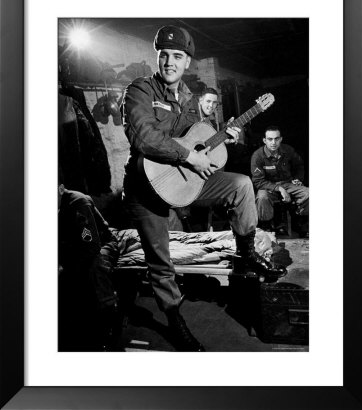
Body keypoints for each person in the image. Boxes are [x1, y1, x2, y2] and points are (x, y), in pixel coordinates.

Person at [122, 25, 286, 352]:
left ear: (187, 63)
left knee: (240, 185)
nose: (170, 61)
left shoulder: (188, 97)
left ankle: (247, 250)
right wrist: (189, 157)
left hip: (183, 181)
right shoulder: (139, 90)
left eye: (178, 56)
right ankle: (174, 320)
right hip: (145, 187)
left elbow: (200, 141)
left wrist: (226, 135)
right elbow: (144, 138)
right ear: (158, 57)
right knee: (160, 258)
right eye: (164, 54)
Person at [58, 182, 119, 351]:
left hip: (102, 243)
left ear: (61, 189)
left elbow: (90, 246)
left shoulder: (78, 202)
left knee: (96, 267)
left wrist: (64, 267)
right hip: (71, 249)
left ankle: (110, 319)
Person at [250, 126, 309, 237]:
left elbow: (299, 165)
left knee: (308, 193)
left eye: (276, 139)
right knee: (262, 198)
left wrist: (298, 179)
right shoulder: (257, 156)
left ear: (281, 139)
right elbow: (258, 181)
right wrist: (279, 189)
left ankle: (299, 221)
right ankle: (266, 227)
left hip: (288, 184)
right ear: (264, 140)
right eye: (270, 139)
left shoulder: (288, 150)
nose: (273, 142)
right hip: (267, 187)